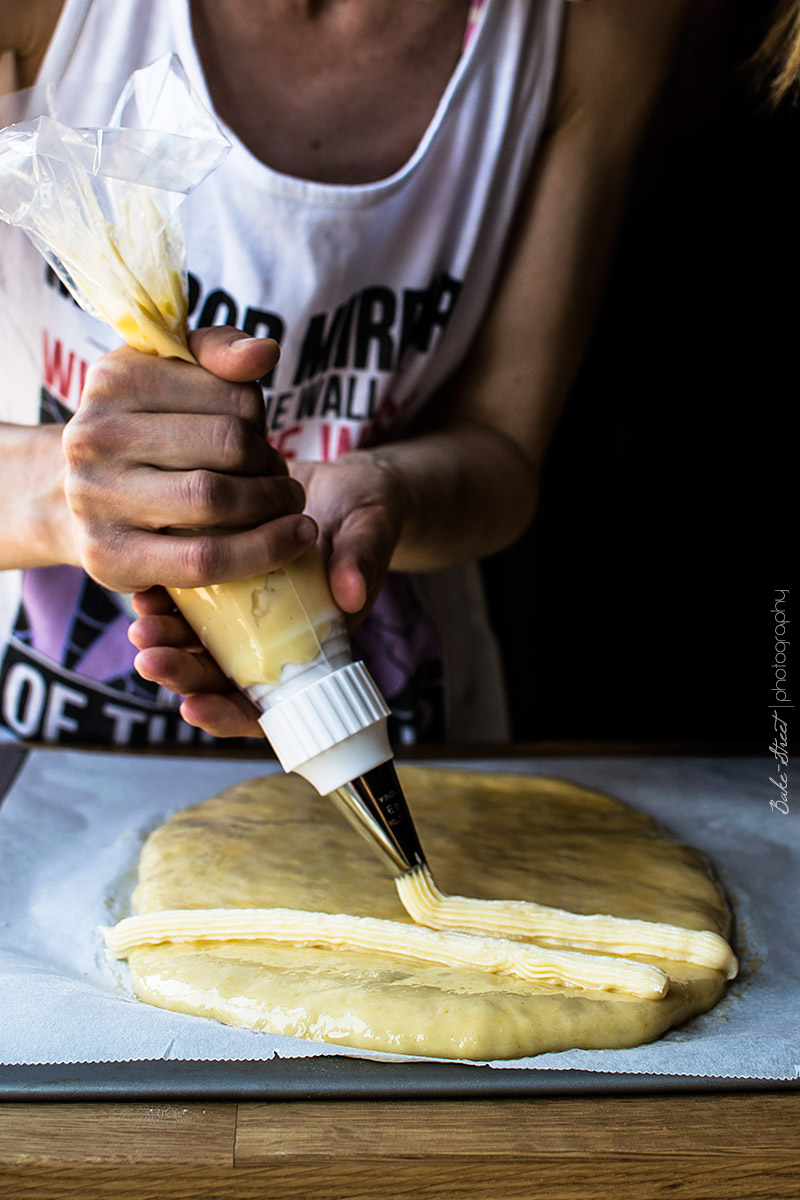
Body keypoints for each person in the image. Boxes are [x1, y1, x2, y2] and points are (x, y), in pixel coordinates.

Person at [0, 0, 690, 750]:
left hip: (411, 727)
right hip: (37, 748)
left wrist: (385, 490)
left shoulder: (602, 24)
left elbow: (504, 448)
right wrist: (69, 498)